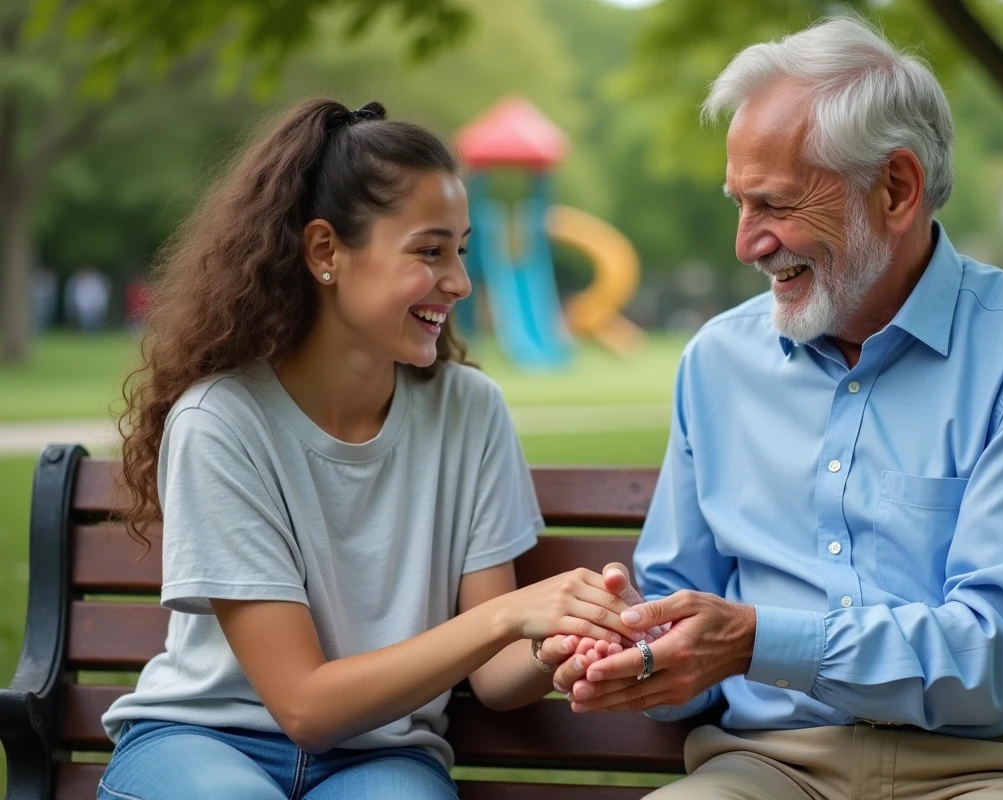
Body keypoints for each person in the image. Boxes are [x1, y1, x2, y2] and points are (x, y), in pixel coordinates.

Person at [553, 17, 1003, 800]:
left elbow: (989, 658)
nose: (747, 243)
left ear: (896, 188)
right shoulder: (718, 362)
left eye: (776, 204)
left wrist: (754, 643)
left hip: (996, 769)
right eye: (738, 203)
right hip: (766, 768)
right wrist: (635, 646)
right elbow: (678, 620)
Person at [99, 99, 642, 800]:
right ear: (326, 252)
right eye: (429, 250)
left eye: (462, 249)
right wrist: (510, 614)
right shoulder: (222, 423)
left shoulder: (469, 413)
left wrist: (557, 640)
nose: (461, 281)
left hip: (382, 757)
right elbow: (304, 706)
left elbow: (496, 677)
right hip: (202, 741)